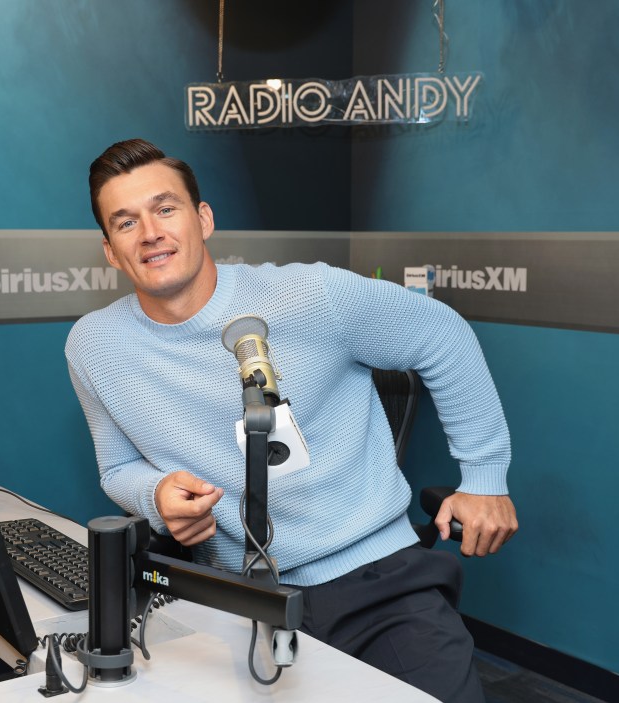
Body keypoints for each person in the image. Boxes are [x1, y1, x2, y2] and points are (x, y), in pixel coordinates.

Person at [65, 138, 518, 702]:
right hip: (232, 596)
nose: (151, 232)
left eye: (165, 208)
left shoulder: (308, 295)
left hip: (378, 582)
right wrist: (155, 495)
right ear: (110, 250)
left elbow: (442, 334)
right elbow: (116, 467)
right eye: (126, 222)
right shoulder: (95, 345)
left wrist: (484, 477)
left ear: (203, 219)